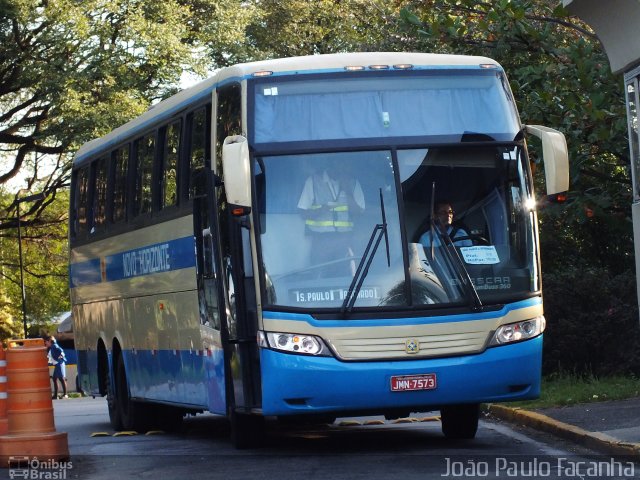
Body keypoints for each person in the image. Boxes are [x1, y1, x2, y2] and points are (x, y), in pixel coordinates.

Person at [297, 161, 365, 273]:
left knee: (346, 276)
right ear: (332, 164)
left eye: (346, 167)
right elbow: (303, 212)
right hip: (321, 240)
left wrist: (347, 190)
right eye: (342, 165)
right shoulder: (313, 181)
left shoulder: (353, 183)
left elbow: (359, 213)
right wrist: (321, 210)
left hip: (345, 239)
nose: (345, 170)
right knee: (318, 274)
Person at [44, 335, 68, 399]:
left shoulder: (54, 345)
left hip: (59, 364)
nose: (45, 343)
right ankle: (56, 395)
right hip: (57, 365)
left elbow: (61, 351)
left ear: (49, 341)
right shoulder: (52, 347)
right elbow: (50, 357)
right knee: (55, 378)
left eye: (46, 342)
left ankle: (65, 394)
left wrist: (61, 356)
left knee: (61, 379)